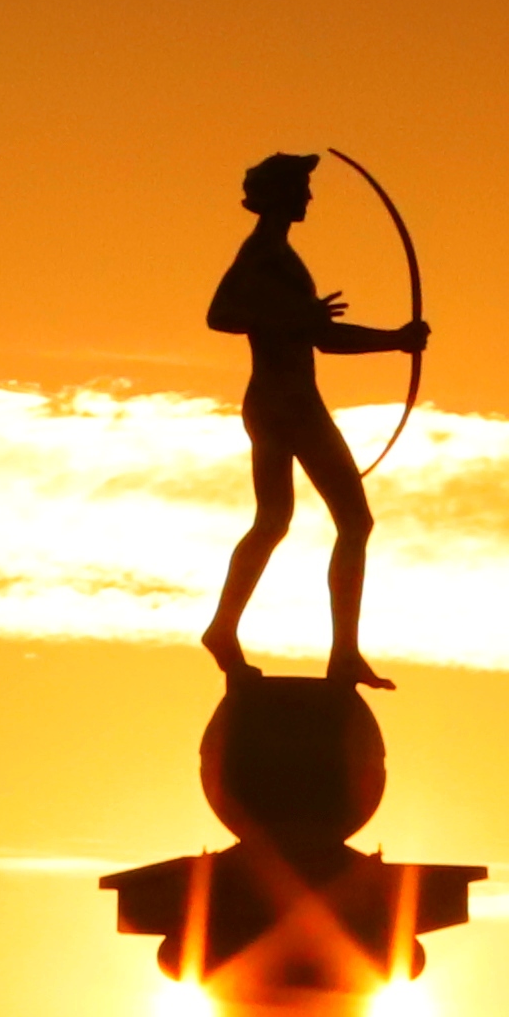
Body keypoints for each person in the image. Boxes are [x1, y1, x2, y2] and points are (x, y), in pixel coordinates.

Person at [201, 151, 425, 686]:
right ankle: (339, 652)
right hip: (288, 403)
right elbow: (220, 315)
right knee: (353, 521)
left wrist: (394, 340)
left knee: (276, 520)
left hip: (280, 401)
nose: (308, 197)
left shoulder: (280, 255)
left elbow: (320, 336)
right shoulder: (262, 253)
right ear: (279, 194)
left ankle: (227, 630)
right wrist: (293, 317)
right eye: (301, 188)